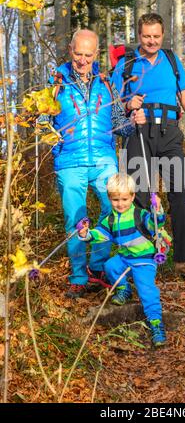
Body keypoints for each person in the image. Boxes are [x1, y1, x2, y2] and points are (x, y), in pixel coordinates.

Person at [111, 13, 185, 279]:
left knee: (181, 191)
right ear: (139, 35)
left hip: (169, 132)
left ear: (163, 35)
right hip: (137, 132)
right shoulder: (127, 63)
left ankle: (183, 260)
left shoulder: (171, 60)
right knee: (139, 196)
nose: (151, 41)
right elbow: (112, 105)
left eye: (156, 36)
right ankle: (142, 260)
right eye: (146, 36)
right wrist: (127, 104)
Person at [50, 29, 146, 299]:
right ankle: (79, 277)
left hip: (104, 158)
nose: (82, 61)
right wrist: (51, 138)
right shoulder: (56, 83)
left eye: (88, 55)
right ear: (70, 50)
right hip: (69, 160)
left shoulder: (106, 83)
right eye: (78, 54)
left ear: (96, 54)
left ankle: (98, 267)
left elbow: (119, 126)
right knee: (76, 219)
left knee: (113, 211)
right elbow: (42, 120)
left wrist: (132, 122)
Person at [78, 173, 168, 347]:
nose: (120, 204)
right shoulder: (110, 219)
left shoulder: (139, 214)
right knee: (110, 266)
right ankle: (124, 289)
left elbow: (155, 223)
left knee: (147, 290)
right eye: (115, 199)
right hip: (125, 257)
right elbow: (100, 235)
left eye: (125, 199)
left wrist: (157, 210)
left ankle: (156, 324)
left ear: (133, 196)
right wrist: (86, 234)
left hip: (144, 260)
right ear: (109, 198)